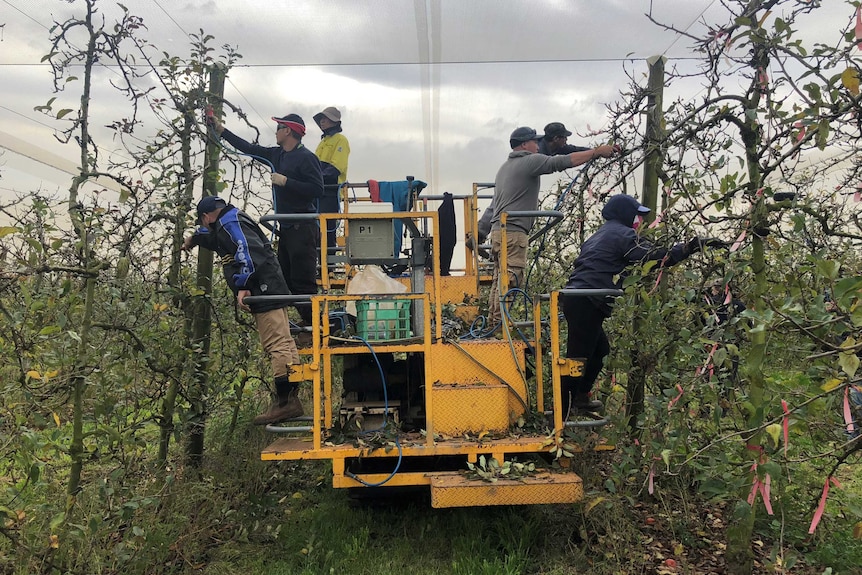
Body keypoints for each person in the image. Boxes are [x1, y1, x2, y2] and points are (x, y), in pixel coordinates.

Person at [561, 194, 723, 414]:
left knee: (599, 351)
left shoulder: (600, 235)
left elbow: (608, 265)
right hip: (587, 298)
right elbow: (653, 256)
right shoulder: (622, 234)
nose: (639, 221)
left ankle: (579, 398)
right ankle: (563, 410)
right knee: (578, 359)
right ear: (624, 214)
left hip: (579, 297)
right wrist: (689, 247)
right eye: (637, 215)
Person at [182, 196, 303, 425]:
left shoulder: (229, 224)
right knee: (285, 342)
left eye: (203, 222)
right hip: (272, 285)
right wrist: (195, 239)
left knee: (276, 344)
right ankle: (290, 399)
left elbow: (247, 252)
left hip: (262, 289)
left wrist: (244, 284)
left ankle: (286, 403)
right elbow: (216, 238)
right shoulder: (230, 220)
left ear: (206, 217)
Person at [486, 126, 620, 328]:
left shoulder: (505, 167)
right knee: (511, 279)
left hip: (499, 231)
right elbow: (561, 162)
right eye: (534, 142)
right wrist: (595, 152)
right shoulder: (529, 161)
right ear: (524, 144)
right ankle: (499, 327)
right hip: (513, 233)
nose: (538, 146)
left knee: (500, 280)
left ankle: (493, 324)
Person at [211, 114, 323, 326]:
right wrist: (221, 130)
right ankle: (310, 324)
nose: (276, 131)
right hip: (287, 228)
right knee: (285, 280)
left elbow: (317, 189)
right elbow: (249, 148)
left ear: (288, 131)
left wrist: (286, 181)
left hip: (303, 228)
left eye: (279, 127)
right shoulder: (276, 154)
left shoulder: (307, 158)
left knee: (303, 282)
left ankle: (317, 327)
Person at [469, 121, 591, 259]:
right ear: (556, 138)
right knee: (500, 202)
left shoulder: (552, 146)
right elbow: (559, 162)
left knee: (500, 200)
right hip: (512, 222)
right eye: (564, 137)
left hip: (506, 216)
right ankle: (480, 231)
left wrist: (593, 151)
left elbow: (571, 149)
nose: (566, 141)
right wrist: (595, 153)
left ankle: (480, 232)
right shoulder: (536, 153)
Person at [313, 106, 351, 252]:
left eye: (325, 119)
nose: (322, 122)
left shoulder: (341, 140)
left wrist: (315, 177)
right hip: (318, 191)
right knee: (317, 231)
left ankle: (328, 267)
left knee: (328, 231)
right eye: (321, 119)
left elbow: (336, 168)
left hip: (331, 191)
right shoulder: (323, 142)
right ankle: (319, 265)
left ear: (334, 122)